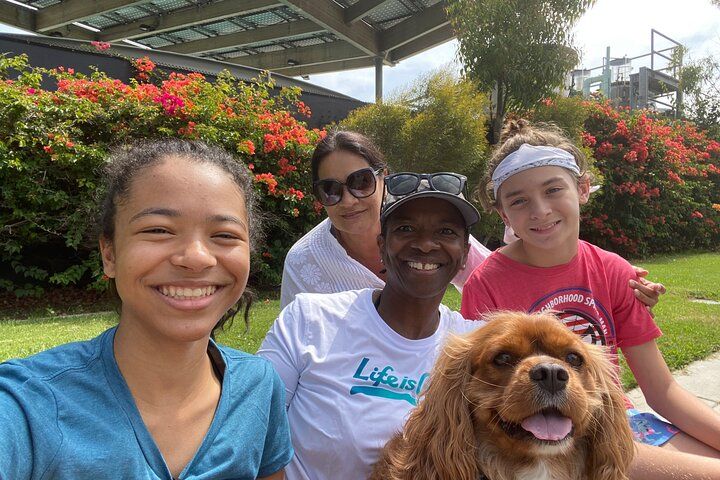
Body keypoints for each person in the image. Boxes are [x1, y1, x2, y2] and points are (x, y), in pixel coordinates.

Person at [0, 139, 292, 480]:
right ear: (109, 254)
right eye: (158, 230)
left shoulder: (258, 385)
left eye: (225, 235)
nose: (197, 257)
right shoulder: (27, 405)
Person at [460, 120, 720, 463]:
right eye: (519, 200)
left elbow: (662, 391)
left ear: (582, 188)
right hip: (526, 435)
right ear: (503, 214)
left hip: (610, 420)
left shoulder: (615, 272)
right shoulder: (486, 284)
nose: (540, 210)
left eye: (553, 190)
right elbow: (478, 393)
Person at [279, 129, 665, 311]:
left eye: (360, 182)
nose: (347, 199)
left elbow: (498, 270)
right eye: (330, 190)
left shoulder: (425, 228)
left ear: (383, 177)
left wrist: (608, 276)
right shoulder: (304, 260)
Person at [259, 172, 483, 479]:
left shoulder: (473, 346)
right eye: (406, 229)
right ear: (382, 245)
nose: (426, 244)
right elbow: (254, 430)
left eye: (446, 232)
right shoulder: (310, 319)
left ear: (464, 256)